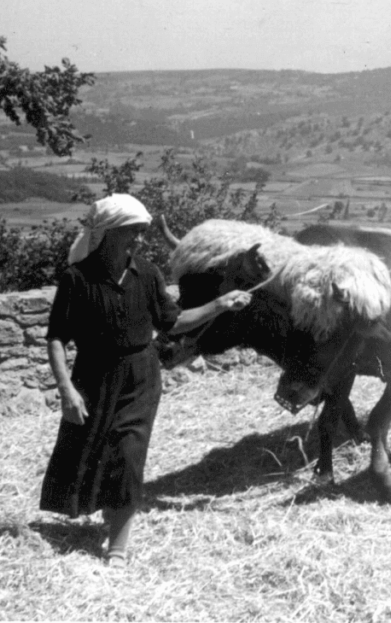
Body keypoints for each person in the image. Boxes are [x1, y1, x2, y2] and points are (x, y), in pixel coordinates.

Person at [40, 194, 253, 568]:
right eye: (132, 232)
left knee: (128, 454)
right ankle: (109, 511)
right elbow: (57, 337)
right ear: (108, 232)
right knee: (91, 452)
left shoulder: (148, 273)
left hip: (141, 377)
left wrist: (219, 305)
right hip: (92, 377)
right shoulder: (78, 279)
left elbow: (173, 321)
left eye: (141, 232)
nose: (139, 239)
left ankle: (118, 546)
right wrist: (66, 390)